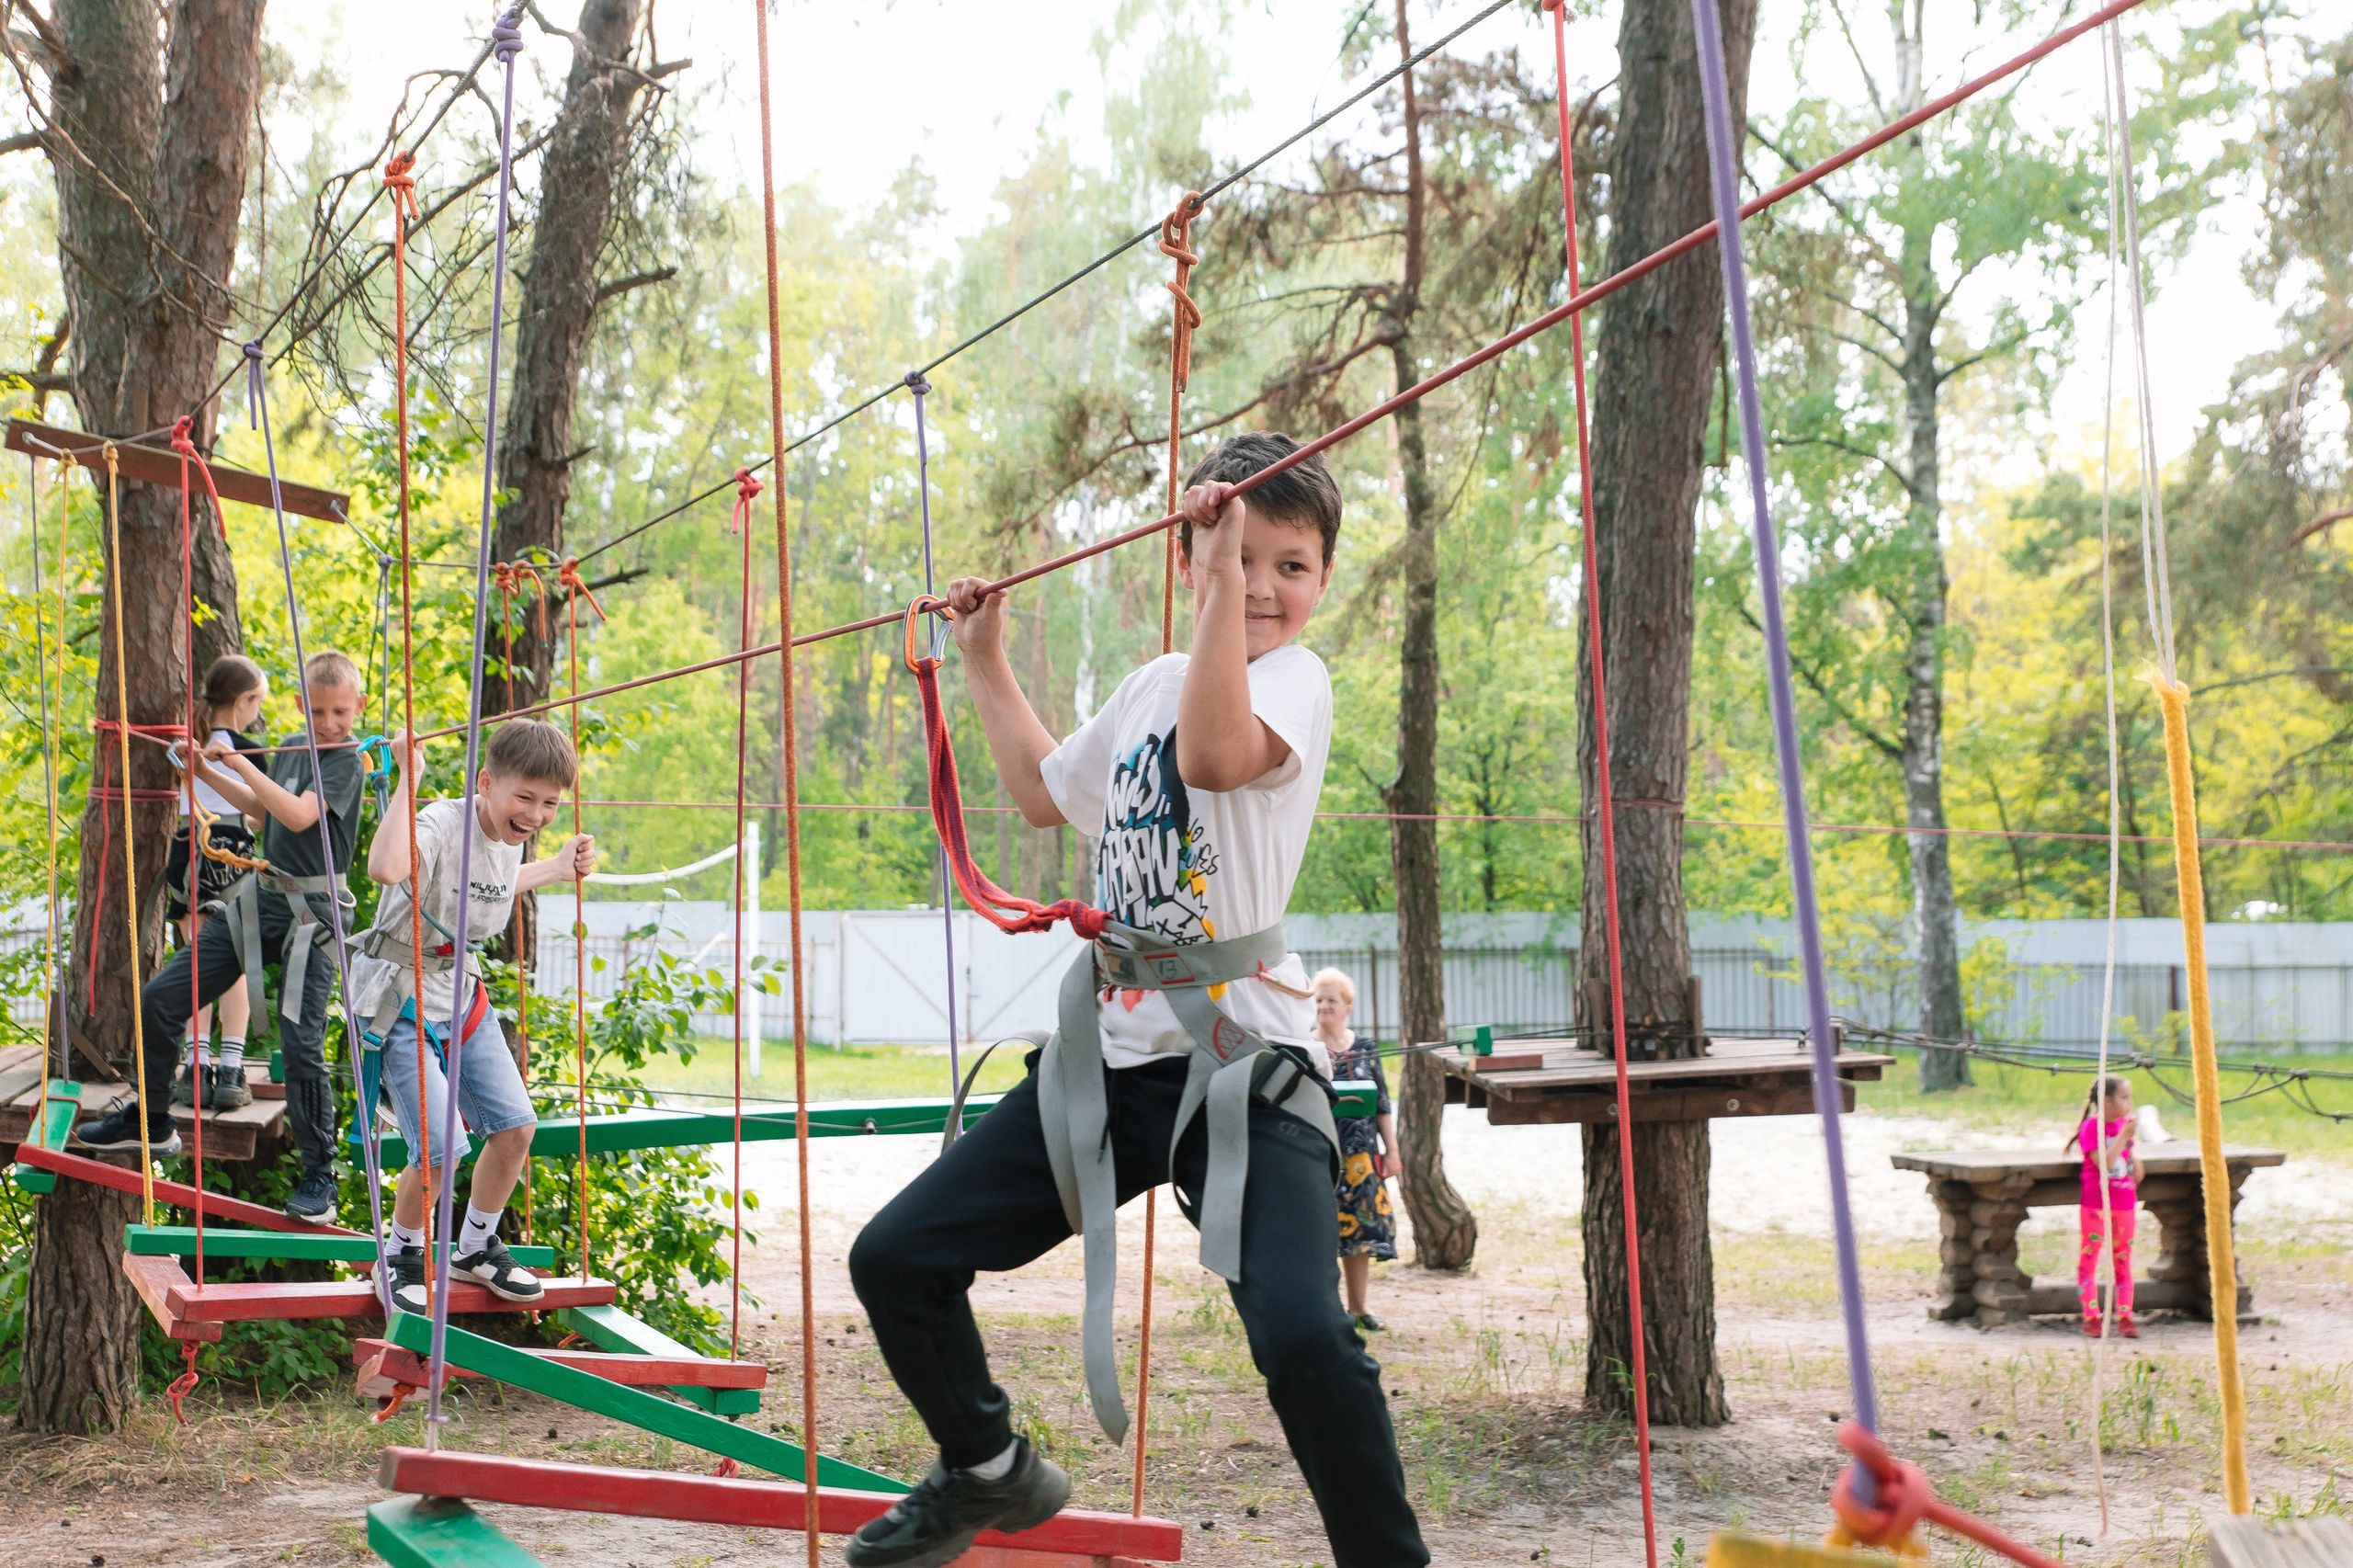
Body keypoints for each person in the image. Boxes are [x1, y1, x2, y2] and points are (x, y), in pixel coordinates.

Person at [846, 432, 1429, 1568]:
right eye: (1239, 557)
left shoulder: (1295, 685)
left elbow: (1216, 759)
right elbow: (1038, 791)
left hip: (1242, 1071)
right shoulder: (1151, 684)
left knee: (1308, 1334)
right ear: (1191, 551)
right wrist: (983, 656)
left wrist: (1215, 585)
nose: (1263, 585)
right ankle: (985, 1466)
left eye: (1292, 564)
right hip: (1105, 1069)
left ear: (1322, 577)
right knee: (898, 1255)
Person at [80, 651, 370, 1223]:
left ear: (358, 707)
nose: (329, 723)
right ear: (298, 706)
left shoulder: (345, 761)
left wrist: (239, 760)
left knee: (300, 1041)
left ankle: (320, 1175)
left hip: (314, 911)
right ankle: (153, 1122)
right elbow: (262, 817)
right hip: (262, 901)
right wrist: (208, 773)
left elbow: (298, 817)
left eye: (340, 711)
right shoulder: (291, 744)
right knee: (163, 999)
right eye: (317, 712)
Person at [349, 719, 592, 1311]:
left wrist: (557, 867)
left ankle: (474, 1248)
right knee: (439, 1146)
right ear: (485, 783)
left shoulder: (508, 839)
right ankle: (401, 1254)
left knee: (514, 1130)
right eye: (525, 798)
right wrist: (410, 780)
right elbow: (384, 869)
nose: (536, 815)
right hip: (399, 1001)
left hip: (460, 997)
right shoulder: (438, 822)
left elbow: (494, 884)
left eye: (551, 803)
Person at [165, 653, 268, 1113]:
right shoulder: (250, 752)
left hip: (188, 850)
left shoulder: (187, 747)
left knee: (195, 964)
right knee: (234, 964)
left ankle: (196, 1066)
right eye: (257, 702)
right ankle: (230, 1070)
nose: (257, 712)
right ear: (244, 700)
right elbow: (260, 812)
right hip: (233, 851)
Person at [1313, 967, 1398, 1332]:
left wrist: (1392, 1151)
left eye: (1331, 999)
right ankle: (1325, 1310)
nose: (1324, 1006)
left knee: (1359, 1233)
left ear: (1347, 1006)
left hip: (1361, 1155)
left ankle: (1359, 1309)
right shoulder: (1306, 1046)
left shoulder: (1365, 1047)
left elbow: (1382, 1102)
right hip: (1318, 1152)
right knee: (1319, 1231)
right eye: (1318, 1000)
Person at [2069, 1074, 2145, 1338]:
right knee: (2089, 1259)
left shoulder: (2125, 1128)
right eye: (2124, 1097)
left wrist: (2134, 1148)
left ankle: (2125, 1315)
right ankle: (2091, 1316)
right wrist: (2124, 1136)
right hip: (2096, 1204)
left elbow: (2135, 1173)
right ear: (2106, 1100)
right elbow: (2104, 1164)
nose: (2129, 1103)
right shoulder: (2092, 1128)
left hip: (2124, 1203)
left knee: (2123, 1261)